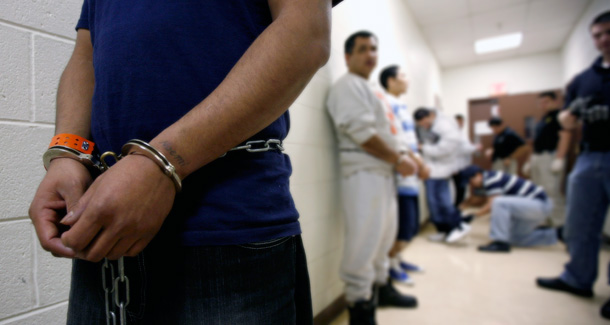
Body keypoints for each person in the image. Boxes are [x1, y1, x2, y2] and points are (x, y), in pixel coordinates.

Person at [28, 1, 342, 323]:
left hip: (230, 237)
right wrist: (67, 154)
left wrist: (163, 162)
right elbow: (85, 56)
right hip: (105, 223)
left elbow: (306, 32)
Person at [326, 31, 418, 325]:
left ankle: (382, 288)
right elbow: (364, 135)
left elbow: (389, 133)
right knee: (363, 245)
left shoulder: (372, 90)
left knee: (382, 240)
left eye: (374, 49)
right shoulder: (347, 86)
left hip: (383, 173)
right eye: (363, 49)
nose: (370, 54)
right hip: (364, 173)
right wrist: (400, 159)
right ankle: (360, 308)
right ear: (348, 56)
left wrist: (405, 157)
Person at [536, 11, 610, 320]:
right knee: (578, 223)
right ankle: (577, 278)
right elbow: (567, 119)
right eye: (597, 35)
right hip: (589, 155)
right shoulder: (584, 79)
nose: (603, 39)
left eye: (608, 32)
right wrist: (573, 114)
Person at [379, 65, 429, 285]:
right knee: (402, 228)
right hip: (400, 177)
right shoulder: (387, 102)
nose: (407, 80)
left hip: (411, 175)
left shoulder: (401, 105)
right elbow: (396, 138)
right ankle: (392, 267)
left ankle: (398, 258)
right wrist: (419, 162)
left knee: (408, 226)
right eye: (402, 76)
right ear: (390, 81)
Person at [460, 165, 560, 253]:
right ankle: (556, 234)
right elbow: (480, 200)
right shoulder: (490, 178)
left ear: (478, 175)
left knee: (498, 202)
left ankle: (500, 243)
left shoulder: (490, 178)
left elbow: (491, 204)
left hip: (539, 204)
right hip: (532, 208)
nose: (471, 185)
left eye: (470, 181)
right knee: (515, 238)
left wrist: (474, 216)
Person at [413, 108, 471, 243]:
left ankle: (458, 226)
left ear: (431, 115)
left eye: (425, 122)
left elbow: (444, 150)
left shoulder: (446, 126)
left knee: (442, 201)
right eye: (420, 123)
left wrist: (423, 148)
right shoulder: (427, 125)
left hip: (442, 169)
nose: (423, 126)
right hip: (431, 170)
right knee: (433, 203)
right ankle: (443, 231)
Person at [524, 91, 571, 226]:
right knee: (538, 191)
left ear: (555, 102)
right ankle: (543, 220)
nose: (543, 105)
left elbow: (565, 136)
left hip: (550, 157)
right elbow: (535, 142)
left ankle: (558, 224)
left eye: (546, 102)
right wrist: (529, 161)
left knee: (552, 191)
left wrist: (560, 158)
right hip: (537, 157)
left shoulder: (560, 116)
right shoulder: (542, 120)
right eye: (540, 103)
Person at [453, 114, 479, 207]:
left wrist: (473, 148)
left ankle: (459, 209)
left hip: (463, 166)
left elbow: (465, 147)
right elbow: (462, 149)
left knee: (462, 189)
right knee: (460, 188)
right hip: (457, 167)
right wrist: (475, 147)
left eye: (462, 121)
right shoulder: (454, 134)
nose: (461, 123)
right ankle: (457, 209)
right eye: (459, 121)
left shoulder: (461, 133)